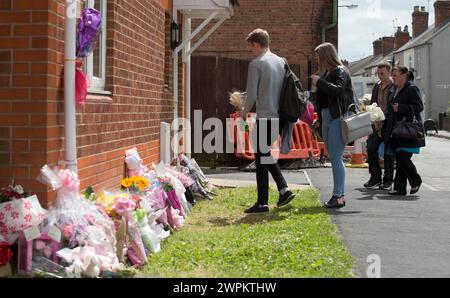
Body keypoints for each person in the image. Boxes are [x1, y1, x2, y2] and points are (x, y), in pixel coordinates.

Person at [239, 29, 295, 214]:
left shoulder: (256, 64)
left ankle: (276, 194)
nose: (251, 51)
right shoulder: (281, 62)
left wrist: (242, 112)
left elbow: (252, 95)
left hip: (264, 116)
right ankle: (274, 196)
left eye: (251, 47)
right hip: (279, 116)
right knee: (263, 157)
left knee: (262, 156)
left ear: (256, 44)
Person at [311, 42, 354, 209]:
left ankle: (338, 196)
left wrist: (319, 82)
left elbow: (337, 90)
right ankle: (339, 195)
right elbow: (323, 99)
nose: (316, 59)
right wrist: (320, 119)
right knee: (334, 157)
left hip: (338, 117)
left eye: (318, 56)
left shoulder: (340, 72)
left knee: (336, 158)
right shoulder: (328, 73)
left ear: (325, 55)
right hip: (328, 117)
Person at [384, 65, 425, 196]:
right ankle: (399, 188)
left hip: (408, 131)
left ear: (404, 75)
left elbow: (419, 107)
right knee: (400, 158)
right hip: (396, 130)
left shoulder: (412, 89)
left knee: (402, 157)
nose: (393, 78)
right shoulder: (394, 89)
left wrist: (401, 108)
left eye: (395, 75)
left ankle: (415, 180)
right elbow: (391, 109)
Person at [364, 62, 395, 190]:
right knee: (371, 147)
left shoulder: (394, 86)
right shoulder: (376, 86)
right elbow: (373, 104)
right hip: (376, 123)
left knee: (388, 152)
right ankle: (375, 176)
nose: (380, 76)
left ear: (389, 71)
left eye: (382, 73)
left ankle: (388, 179)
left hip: (389, 123)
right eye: (378, 73)